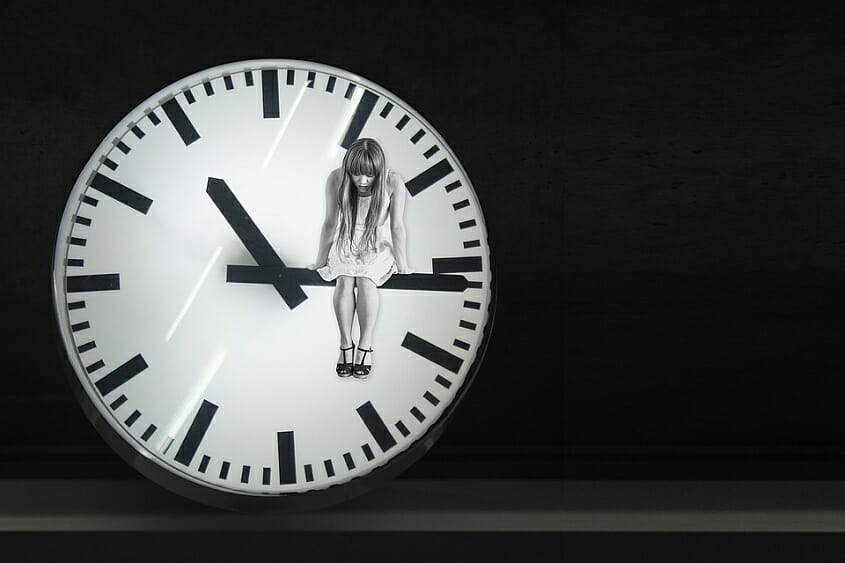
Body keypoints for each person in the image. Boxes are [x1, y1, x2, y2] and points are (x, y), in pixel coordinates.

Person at [312, 138, 411, 379]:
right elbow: (329, 223)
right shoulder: (336, 179)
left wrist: (403, 265)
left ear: (379, 171)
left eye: (369, 175)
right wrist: (320, 261)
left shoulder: (392, 181)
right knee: (345, 279)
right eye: (356, 175)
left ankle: (364, 347)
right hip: (346, 239)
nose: (363, 181)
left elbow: (397, 227)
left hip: (376, 243)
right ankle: (346, 345)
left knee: (366, 281)